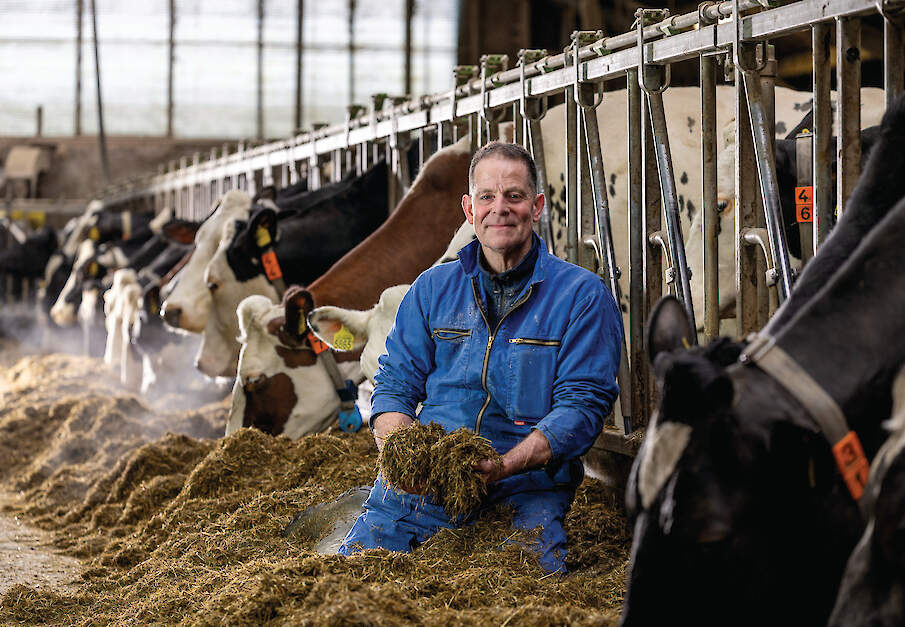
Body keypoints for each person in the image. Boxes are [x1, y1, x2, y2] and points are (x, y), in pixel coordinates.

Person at [338, 141, 623, 573]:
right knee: (352, 577)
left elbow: (582, 408)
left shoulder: (582, 297)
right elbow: (394, 384)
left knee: (520, 588)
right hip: (424, 486)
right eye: (487, 197)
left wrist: (505, 465)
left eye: (514, 195)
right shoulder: (431, 289)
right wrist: (401, 450)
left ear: (537, 206)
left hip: (525, 489)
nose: (500, 208)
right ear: (469, 210)